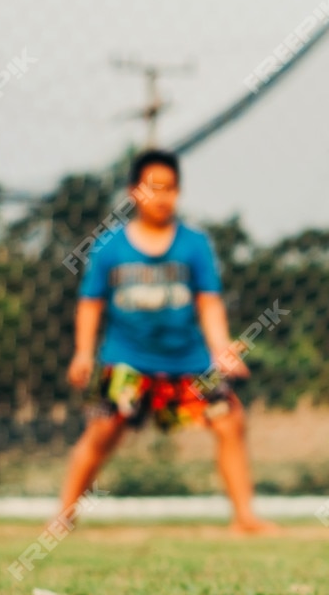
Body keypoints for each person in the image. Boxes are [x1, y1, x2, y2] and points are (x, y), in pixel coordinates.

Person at [58, 149, 276, 535]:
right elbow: (90, 304)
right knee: (102, 431)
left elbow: (209, 303)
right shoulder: (109, 248)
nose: (162, 196)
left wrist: (221, 348)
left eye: (170, 188)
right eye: (153, 187)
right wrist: (82, 353)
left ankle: (244, 517)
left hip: (187, 364)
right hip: (127, 362)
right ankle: (63, 516)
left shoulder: (195, 246)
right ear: (133, 192)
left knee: (229, 421)